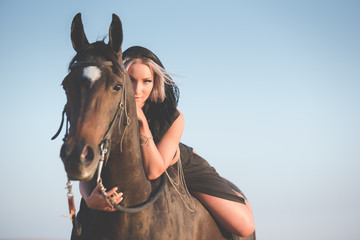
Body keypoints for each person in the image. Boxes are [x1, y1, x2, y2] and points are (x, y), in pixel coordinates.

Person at [80, 46, 255, 237]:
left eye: (146, 81)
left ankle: (231, 196)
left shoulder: (173, 117)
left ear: (155, 83)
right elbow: (88, 161)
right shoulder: (107, 112)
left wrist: (142, 125)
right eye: (130, 80)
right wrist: (89, 199)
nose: (138, 90)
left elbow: (154, 170)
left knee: (244, 227)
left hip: (179, 164)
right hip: (138, 172)